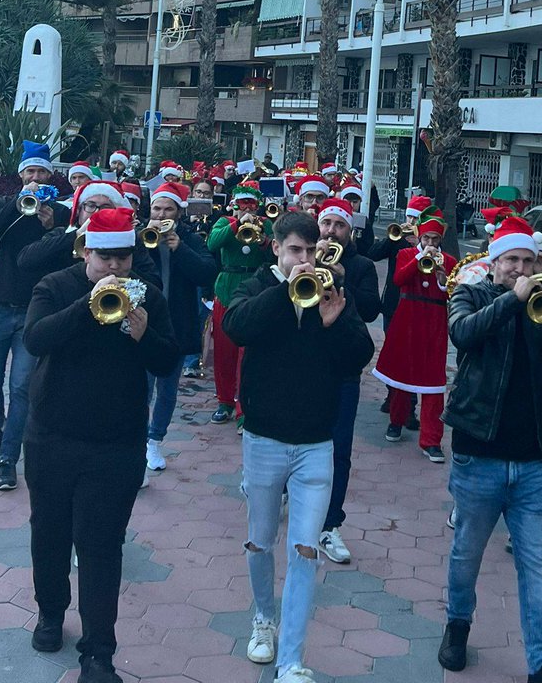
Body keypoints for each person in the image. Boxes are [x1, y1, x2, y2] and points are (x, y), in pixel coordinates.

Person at [23, 208, 179, 683]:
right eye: (104, 257)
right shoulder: (55, 285)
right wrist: (88, 307)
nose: (114, 268)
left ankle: (98, 654)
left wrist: (143, 333)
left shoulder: (147, 294)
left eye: (123, 258)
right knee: (49, 534)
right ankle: (51, 613)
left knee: (101, 547)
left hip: (116, 442)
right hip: (53, 435)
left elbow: (169, 359)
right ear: (86, 251)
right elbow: (35, 339)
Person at [222, 211, 374, 683]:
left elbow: (360, 356)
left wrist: (338, 319)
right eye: (296, 251)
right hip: (264, 436)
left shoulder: (333, 294)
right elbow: (237, 327)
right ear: (277, 250)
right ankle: (263, 620)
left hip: (316, 443)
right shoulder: (254, 287)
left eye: (311, 251)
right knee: (260, 542)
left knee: (305, 549)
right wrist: (283, 290)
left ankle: (292, 659)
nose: (305, 259)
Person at [438, 215, 542, 680]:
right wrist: (511, 301)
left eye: (528, 260)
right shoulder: (470, 291)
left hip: (534, 461)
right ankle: (457, 624)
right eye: (512, 261)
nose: (521, 269)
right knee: (467, 554)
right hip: (478, 452)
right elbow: (462, 333)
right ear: (495, 261)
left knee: (535, 567)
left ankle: (541, 663)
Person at [0, 140, 70, 491]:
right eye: (30, 171)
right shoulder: (5, 204)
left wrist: (51, 227)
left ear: (50, 176)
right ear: (21, 176)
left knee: (21, 387)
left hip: (33, 308)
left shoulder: (59, 212)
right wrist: (16, 206)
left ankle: (8, 460)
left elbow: (66, 257)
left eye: (41, 172)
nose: (35, 177)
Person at [312, 197, 380, 564]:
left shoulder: (362, 265)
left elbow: (371, 310)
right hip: (303, 367)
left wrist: (342, 281)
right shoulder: (304, 256)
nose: (331, 231)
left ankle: (330, 524)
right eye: (326, 224)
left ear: (350, 230)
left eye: (339, 225)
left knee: (338, 451)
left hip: (344, 372)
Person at [143, 184, 217, 473]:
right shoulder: (140, 236)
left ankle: (154, 439)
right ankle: (137, 440)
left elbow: (207, 272)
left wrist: (180, 248)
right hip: (145, 323)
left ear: (179, 213)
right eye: (157, 209)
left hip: (175, 325)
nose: (162, 214)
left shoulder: (189, 238)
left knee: (168, 389)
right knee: (142, 387)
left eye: (168, 209)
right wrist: (141, 240)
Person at [373, 206, 457, 463]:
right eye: (426, 239)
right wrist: (419, 259)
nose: (430, 243)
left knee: (433, 381)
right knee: (401, 373)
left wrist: (444, 280)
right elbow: (399, 279)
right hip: (407, 317)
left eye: (435, 240)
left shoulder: (450, 261)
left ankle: (431, 440)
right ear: (419, 238)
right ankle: (396, 421)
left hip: (434, 321)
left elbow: (452, 293)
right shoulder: (407, 254)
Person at [207, 180, 273, 425]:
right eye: (242, 206)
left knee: (248, 354)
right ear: (234, 206)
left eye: (251, 206)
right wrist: (237, 224)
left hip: (254, 286)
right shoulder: (225, 222)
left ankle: (244, 407)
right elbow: (212, 244)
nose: (247, 211)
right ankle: (224, 401)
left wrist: (263, 238)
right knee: (224, 350)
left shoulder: (266, 224)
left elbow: (276, 252)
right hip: (226, 286)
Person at [17, 183, 161, 289]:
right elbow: (25, 260)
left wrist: (119, 269)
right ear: (79, 210)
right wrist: (75, 236)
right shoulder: (62, 234)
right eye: (90, 206)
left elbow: (154, 282)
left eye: (105, 208)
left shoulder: (130, 240)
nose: (96, 212)